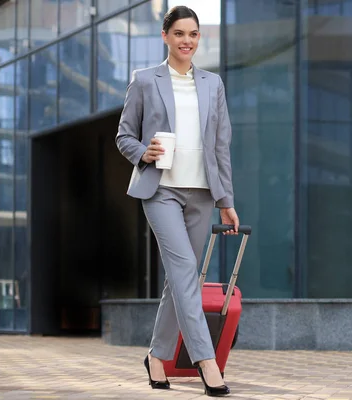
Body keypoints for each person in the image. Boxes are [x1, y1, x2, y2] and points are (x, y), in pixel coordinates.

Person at [115, 5, 238, 397]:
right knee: (186, 271)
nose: (187, 40)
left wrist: (226, 200)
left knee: (179, 279)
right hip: (160, 190)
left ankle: (156, 355)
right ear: (165, 35)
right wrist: (142, 153)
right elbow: (124, 136)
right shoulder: (145, 81)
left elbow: (221, 145)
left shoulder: (212, 83)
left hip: (202, 192)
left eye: (194, 34)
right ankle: (206, 362)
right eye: (180, 33)